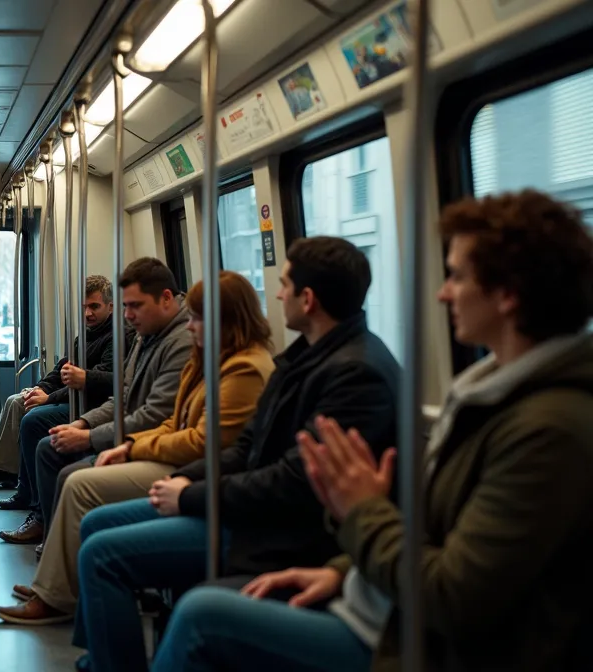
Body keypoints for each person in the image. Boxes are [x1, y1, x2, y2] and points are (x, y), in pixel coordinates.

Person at [152, 190, 593, 672]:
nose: (444, 292)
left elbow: (453, 595)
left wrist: (362, 513)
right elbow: (433, 528)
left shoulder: (548, 433)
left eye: (458, 276)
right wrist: (343, 571)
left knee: (200, 614)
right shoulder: (484, 397)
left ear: (507, 293)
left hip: (410, 638)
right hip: (373, 591)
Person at [71, 236, 399, 672]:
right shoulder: (302, 359)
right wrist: (188, 480)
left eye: (284, 284)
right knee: (96, 524)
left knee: (103, 554)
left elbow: (291, 481)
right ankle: (103, 653)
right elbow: (248, 447)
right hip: (242, 504)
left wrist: (190, 496)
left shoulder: (352, 374)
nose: (278, 294)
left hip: (271, 528)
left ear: (309, 298)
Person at [0, 271, 275, 625]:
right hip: (171, 449)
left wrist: (127, 445)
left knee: (76, 480)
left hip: (196, 470)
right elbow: (166, 415)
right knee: (62, 462)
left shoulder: (240, 369)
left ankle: (56, 593)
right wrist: (118, 441)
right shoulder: (188, 353)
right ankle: (57, 586)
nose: (191, 326)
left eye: (199, 318)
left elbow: (196, 438)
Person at [0, 259, 192, 548]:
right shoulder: (142, 335)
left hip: (141, 436)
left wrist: (89, 433)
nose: (129, 315)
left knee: (61, 460)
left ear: (166, 299)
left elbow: (147, 409)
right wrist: (75, 418)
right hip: (113, 420)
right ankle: (45, 527)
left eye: (134, 306)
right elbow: (117, 390)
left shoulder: (174, 341)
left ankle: (53, 542)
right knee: (44, 438)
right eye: (126, 307)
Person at [0, 275, 134, 489]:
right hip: (74, 394)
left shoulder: (118, 336)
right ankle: (4, 470)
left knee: (31, 416)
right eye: (84, 307)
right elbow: (63, 367)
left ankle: (20, 483)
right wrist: (40, 388)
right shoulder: (87, 334)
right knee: (17, 400)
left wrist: (48, 398)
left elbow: (95, 380)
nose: (88, 313)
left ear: (110, 306)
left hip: (91, 401)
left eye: (94, 306)